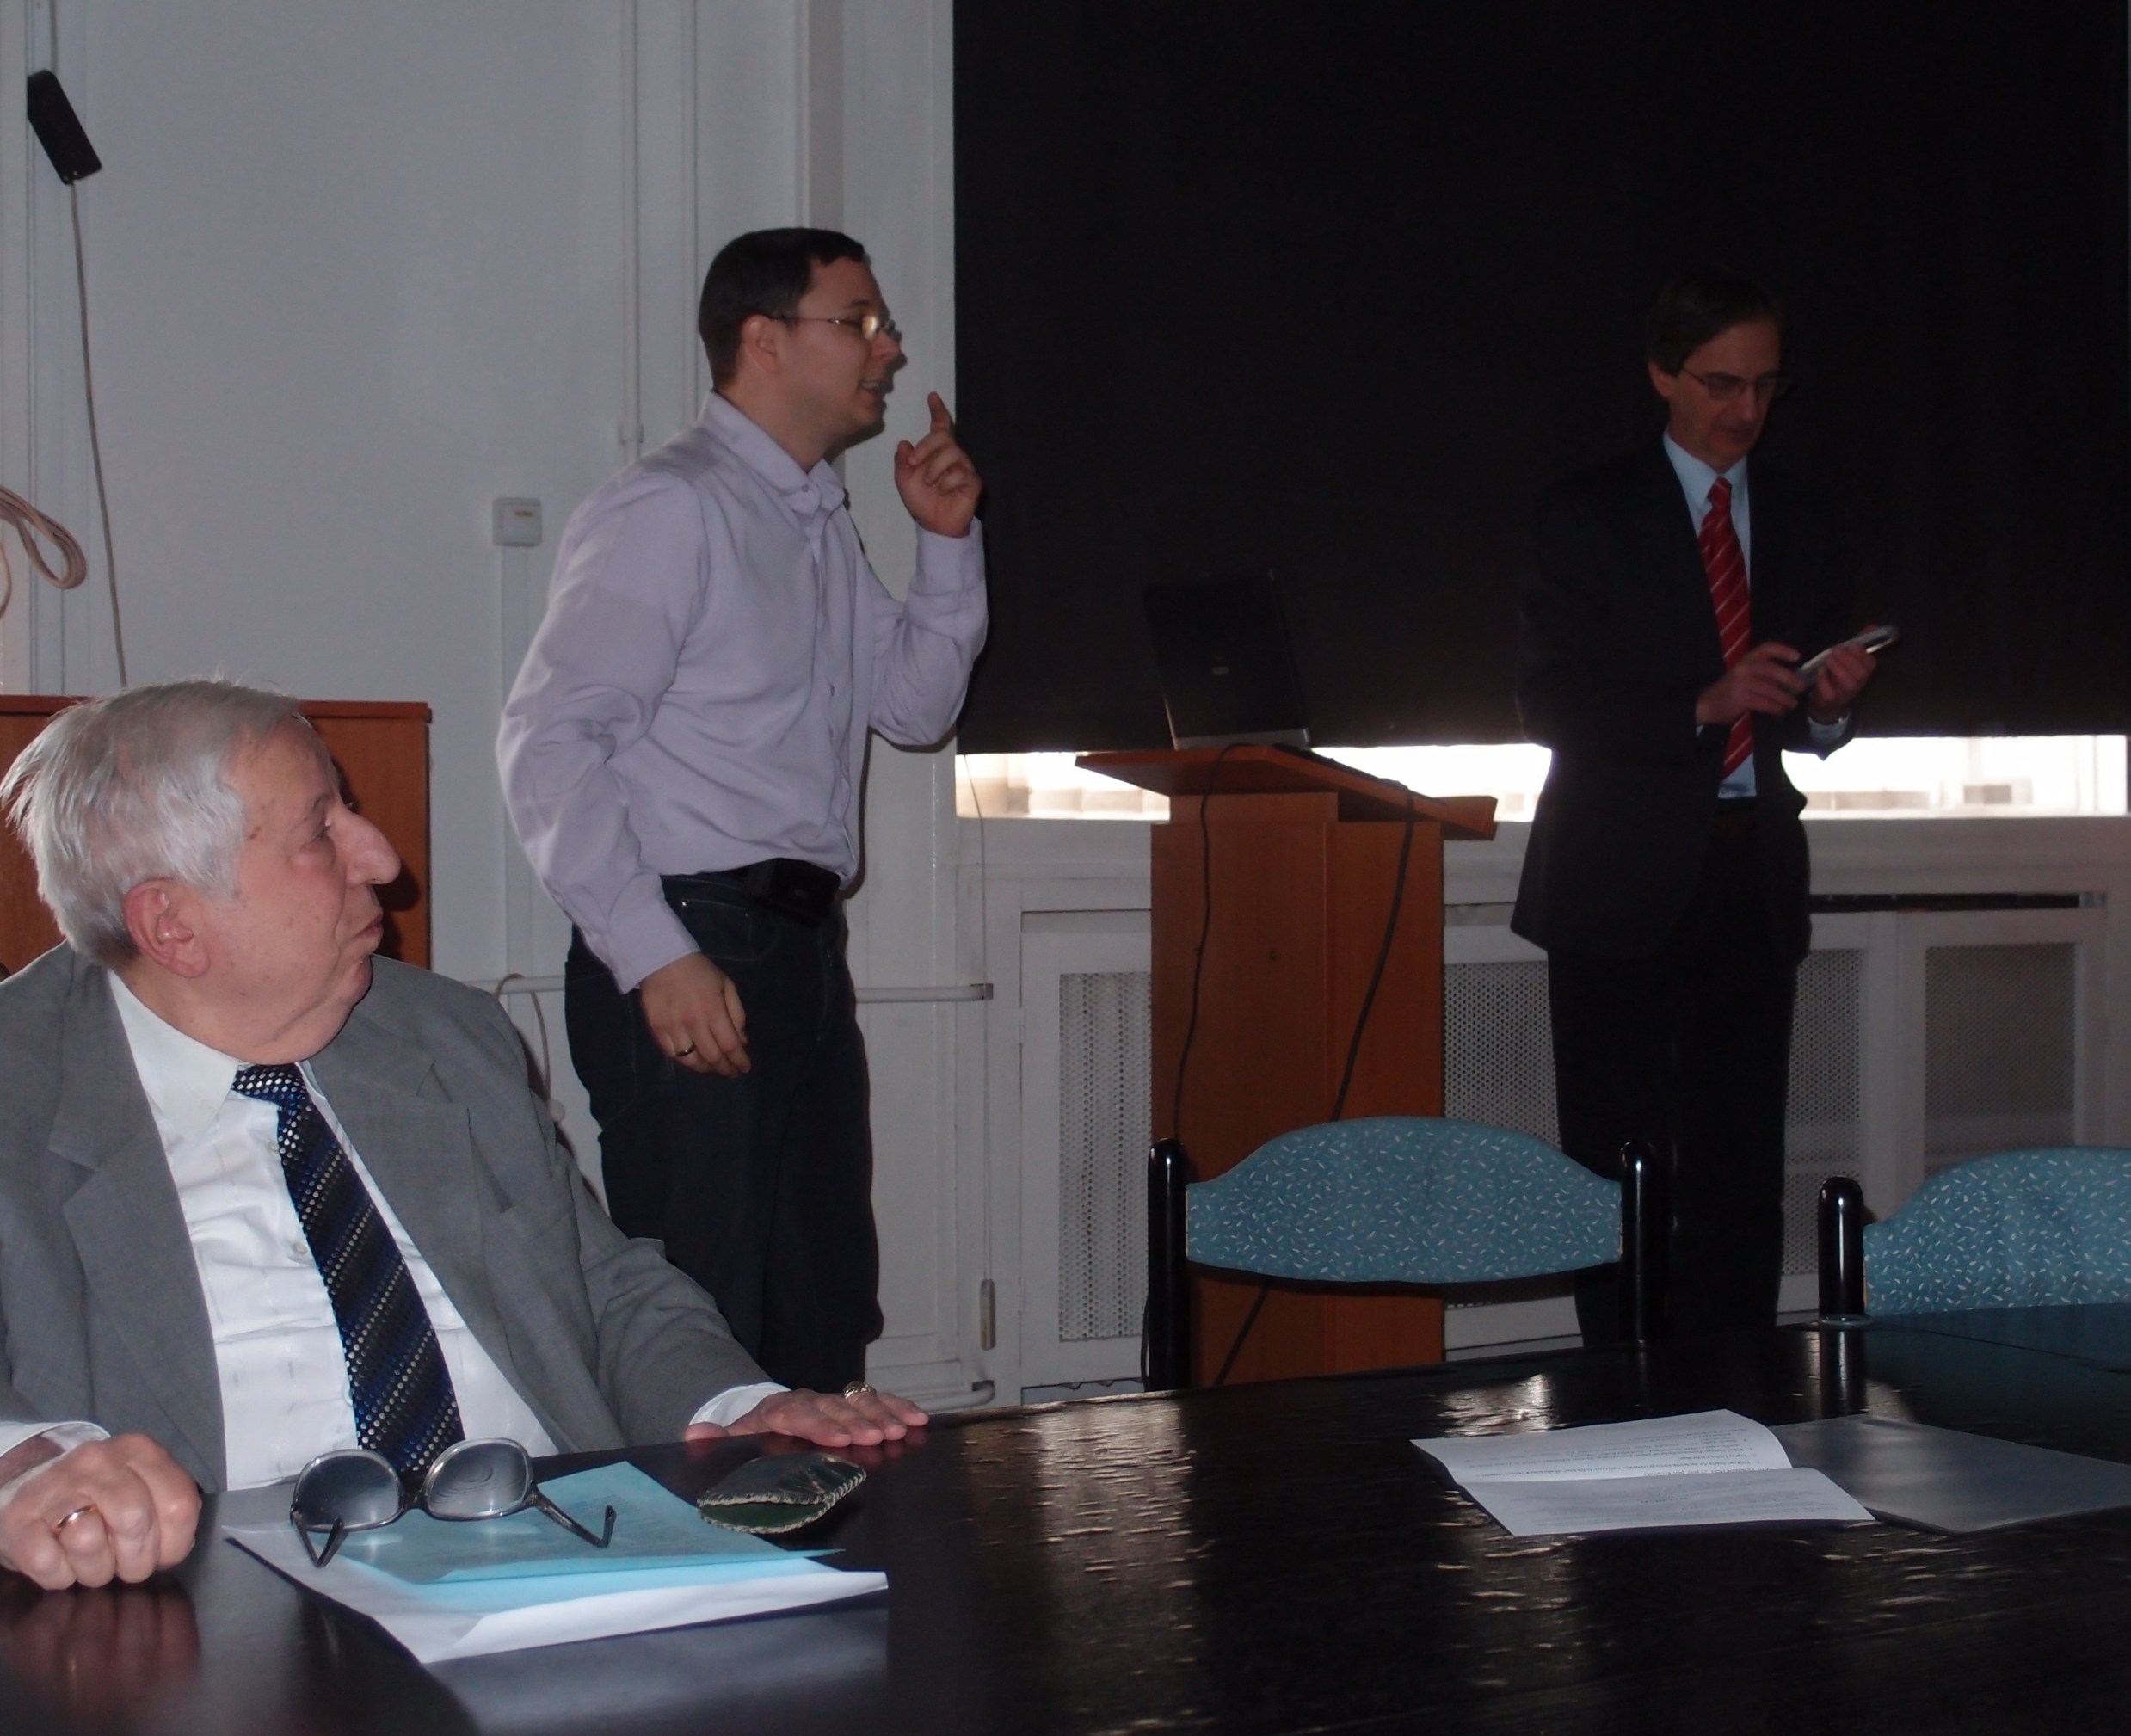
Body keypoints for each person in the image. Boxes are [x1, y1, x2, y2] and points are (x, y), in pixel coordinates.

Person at [0, 682, 927, 1591]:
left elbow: (602, 1288)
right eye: (320, 832)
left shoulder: (442, 1033)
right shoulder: (22, 1084)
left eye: (350, 810)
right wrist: (30, 1465)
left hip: (558, 1553)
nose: (381, 857)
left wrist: (742, 1404)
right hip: (234, 1605)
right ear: (172, 925)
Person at [498, 227, 985, 1393]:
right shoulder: (671, 507)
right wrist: (655, 953)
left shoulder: (814, 518)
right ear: (764, 339)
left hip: (801, 950)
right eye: (858, 321)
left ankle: (816, 1515)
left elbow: (913, 707)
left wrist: (946, 547)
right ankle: (693, 1518)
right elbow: (548, 741)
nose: (888, 347)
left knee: (821, 1298)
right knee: (701, 1316)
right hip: (694, 940)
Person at [1512, 268, 1879, 1342]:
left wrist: (1827, 708)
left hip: (1747, 874)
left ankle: (1738, 1392)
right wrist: (1699, 701)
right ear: (1660, 375)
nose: (1745, 410)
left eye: (1765, 386)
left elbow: (1799, 716)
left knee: (1738, 1168)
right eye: (1721, 383)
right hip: (1614, 878)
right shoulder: (1585, 513)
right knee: (1613, 1166)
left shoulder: (1801, 514)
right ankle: (1620, 1394)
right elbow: (1549, 701)